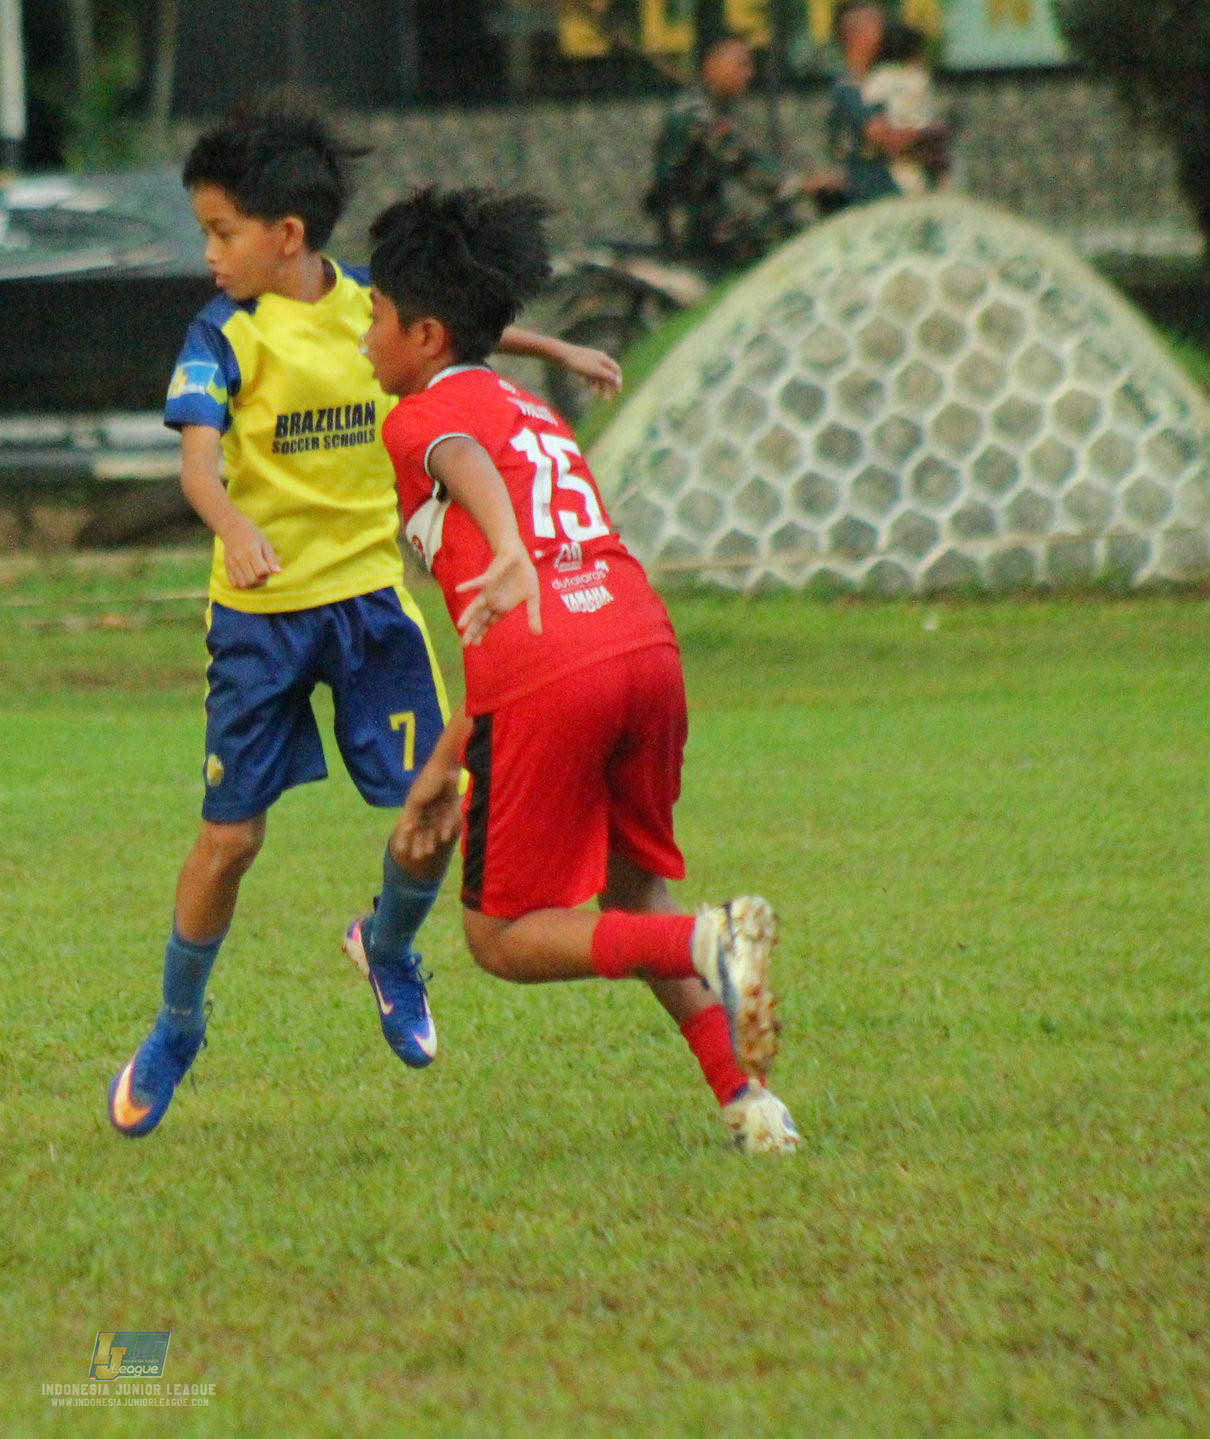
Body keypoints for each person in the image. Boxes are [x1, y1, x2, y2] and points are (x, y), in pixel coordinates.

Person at [105, 99, 626, 1138]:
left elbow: (451, 335)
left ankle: (384, 947)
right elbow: (197, 465)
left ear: (284, 236)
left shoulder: (364, 311)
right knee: (228, 840)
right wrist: (234, 525)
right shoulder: (221, 333)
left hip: (369, 609)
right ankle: (174, 1024)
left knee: (439, 806)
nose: (207, 252)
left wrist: (551, 350)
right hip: (259, 624)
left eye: (219, 231)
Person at [355, 185, 800, 1153]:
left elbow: (455, 453)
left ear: (425, 334)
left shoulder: (414, 423)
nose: (363, 335)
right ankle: (750, 1103)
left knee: (502, 938)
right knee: (633, 894)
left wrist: (506, 545)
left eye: (375, 317)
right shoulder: (518, 403)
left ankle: (708, 938)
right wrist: (452, 750)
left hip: (550, 663)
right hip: (641, 645)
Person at [647, 36, 827, 268]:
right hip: (693, 229)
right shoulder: (697, 113)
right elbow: (742, 162)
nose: (749, 74)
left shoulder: (708, 107)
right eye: (741, 64)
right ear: (712, 65)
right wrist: (801, 183)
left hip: (706, 220)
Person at [829, 1, 930, 208]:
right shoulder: (848, 89)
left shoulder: (882, 79)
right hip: (870, 200)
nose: (884, 32)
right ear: (855, 32)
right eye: (878, 25)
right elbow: (885, 137)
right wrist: (926, 135)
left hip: (895, 197)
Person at [863, 22, 948, 196]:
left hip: (885, 162)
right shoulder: (919, 78)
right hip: (917, 151)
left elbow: (869, 115)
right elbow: (929, 122)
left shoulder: (877, 77)